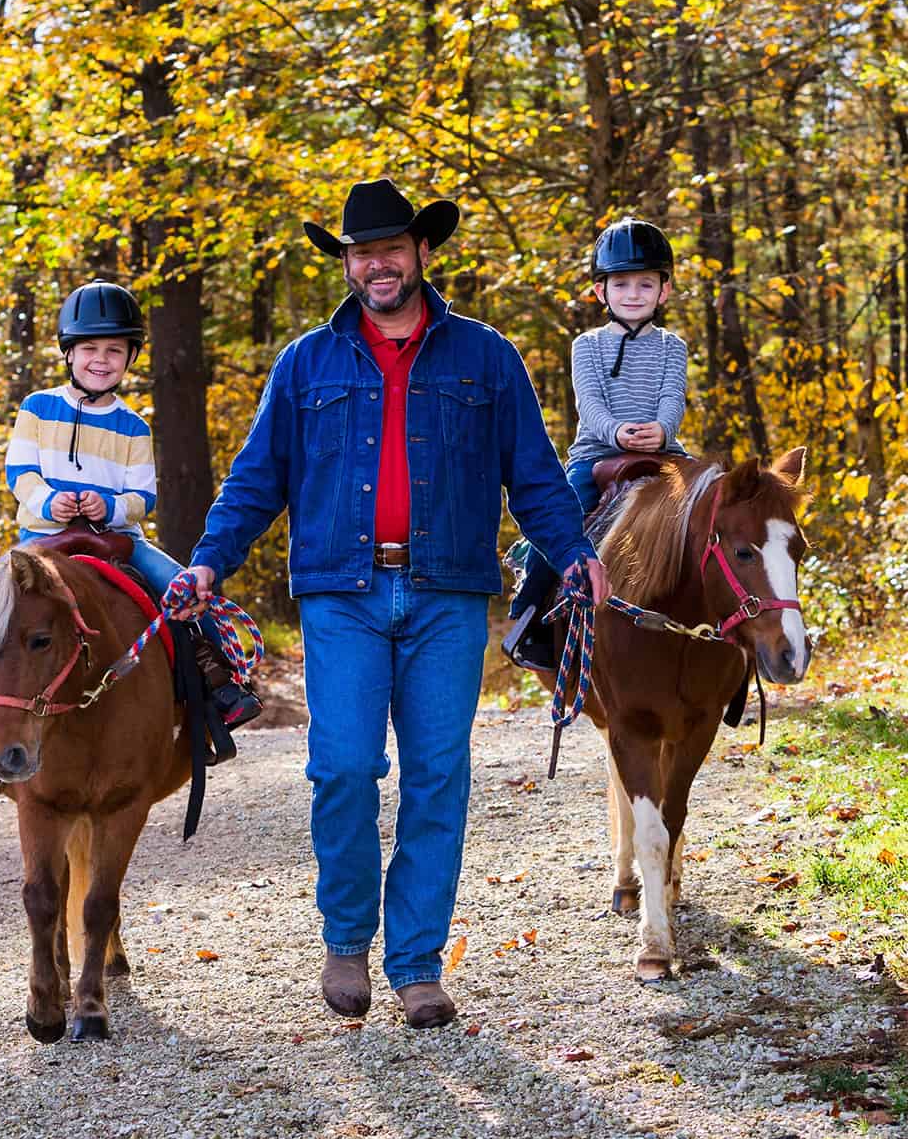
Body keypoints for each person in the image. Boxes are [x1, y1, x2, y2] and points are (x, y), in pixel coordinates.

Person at [167, 179, 609, 1029]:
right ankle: (345, 941)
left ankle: (416, 964)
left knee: (438, 777)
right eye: (361, 252)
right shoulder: (306, 362)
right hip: (344, 595)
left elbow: (537, 477)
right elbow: (258, 479)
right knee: (341, 768)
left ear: (421, 254)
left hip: (448, 593)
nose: (377, 264)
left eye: (391, 249)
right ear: (347, 263)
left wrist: (577, 553)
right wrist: (210, 562)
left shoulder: (486, 356)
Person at [0, 280, 261, 736]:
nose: (101, 360)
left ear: (130, 358)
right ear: (69, 354)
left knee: (181, 587)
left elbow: (143, 497)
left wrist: (108, 506)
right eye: (90, 349)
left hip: (116, 541)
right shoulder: (38, 408)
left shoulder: (133, 426)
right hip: (43, 538)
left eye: (115, 351)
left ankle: (219, 681)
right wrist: (49, 501)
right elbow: (20, 474)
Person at [503, 217, 686, 670]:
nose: (633, 294)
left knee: (712, 508)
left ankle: (729, 632)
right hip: (598, 454)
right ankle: (531, 618)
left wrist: (662, 431)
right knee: (563, 516)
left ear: (664, 291)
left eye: (646, 284)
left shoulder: (672, 347)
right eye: (621, 284)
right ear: (601, 292)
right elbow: (591, 405)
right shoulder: (587, 345)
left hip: (663, 453)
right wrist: (618, 433)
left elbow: (672, 397)